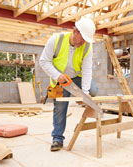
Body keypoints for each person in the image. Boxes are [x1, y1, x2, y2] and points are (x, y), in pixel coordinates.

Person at [39, 17, 97, 151]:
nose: (83, 43)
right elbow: (43, 61)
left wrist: (86, 92)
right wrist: (57, 76)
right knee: (60, 107)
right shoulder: (56, 40)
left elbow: (87, 69)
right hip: (60, 79)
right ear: (75, 31)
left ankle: (82, 98)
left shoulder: (87, 46)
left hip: (77, 78)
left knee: (93, 90)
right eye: (82, 39)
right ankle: (57, 139)